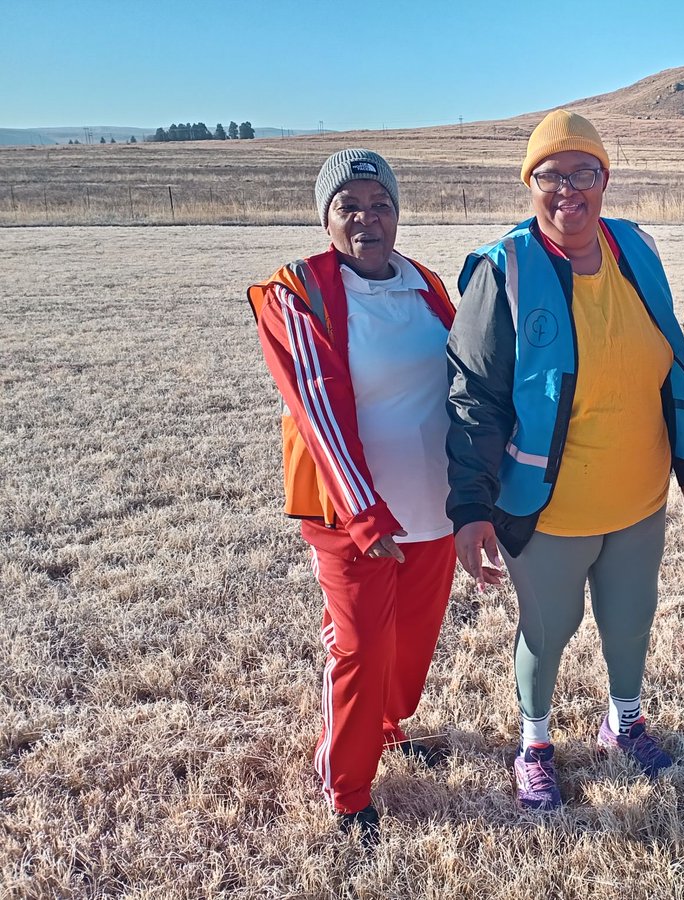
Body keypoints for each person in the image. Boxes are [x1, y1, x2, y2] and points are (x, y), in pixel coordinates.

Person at [445, 109, 684, 810]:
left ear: (604, 180)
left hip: (639, 500)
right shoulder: (505, 270)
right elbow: (473, 398)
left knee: (631, 621)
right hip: (549, 506)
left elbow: (667, 360)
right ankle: (534, 743)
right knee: (548, 630)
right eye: (551, 175)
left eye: (583, 172)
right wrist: (471, 507)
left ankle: (624, 723)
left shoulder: (636, 250)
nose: (569, 190)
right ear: (530, 183)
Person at [247, 149, 457, 843]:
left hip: (433, 507)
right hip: (352, 515)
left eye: (381, 203)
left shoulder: (424, 284)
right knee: (363, 647)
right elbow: (317, 406)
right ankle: (347, 786)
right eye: (350, 206)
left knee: (413, 644)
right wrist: (366, 515)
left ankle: (390, 731)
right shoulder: (298, 292)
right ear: (327, 219)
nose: (369, 218)